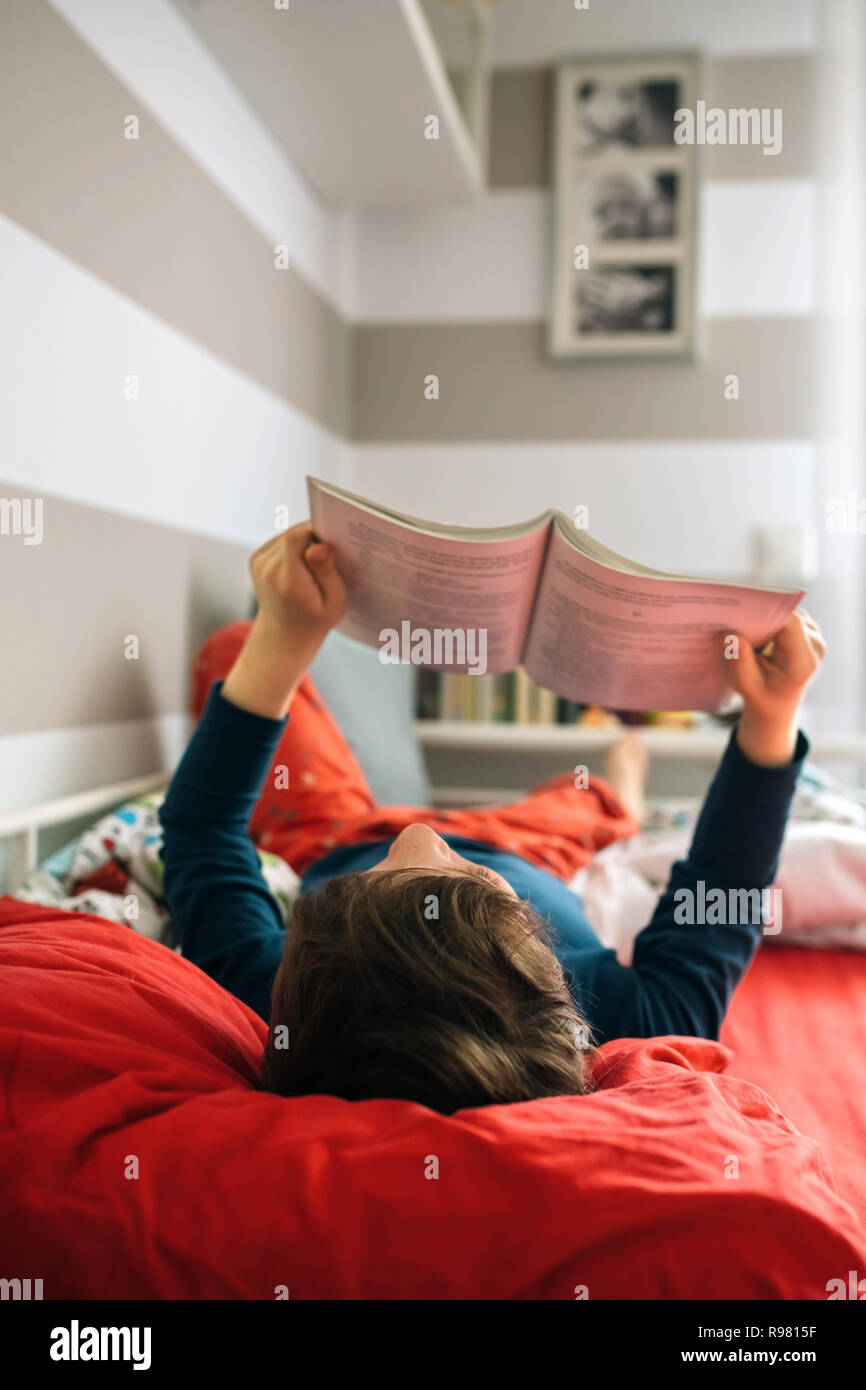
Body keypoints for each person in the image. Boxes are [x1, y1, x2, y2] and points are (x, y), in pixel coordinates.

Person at [160, 525, 825, 1114]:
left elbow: (201, 832)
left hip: (337, 831)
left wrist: (286, 634)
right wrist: (771, 720)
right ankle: (617, 796)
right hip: (527, 848)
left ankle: (597, 802)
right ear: (546, 971)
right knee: (584, 797)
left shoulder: (280, 999)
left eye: (379, 879)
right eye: (467, 879)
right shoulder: (631, 1018)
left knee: (239, 646)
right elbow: (722, 894)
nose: (422, 838)